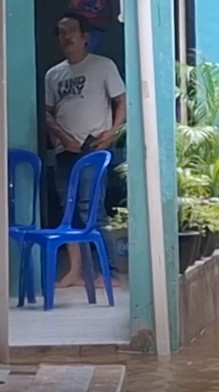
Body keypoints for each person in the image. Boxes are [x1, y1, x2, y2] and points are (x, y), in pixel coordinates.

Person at [45, 12, 126, 288]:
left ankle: (109, 272)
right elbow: (47, 113)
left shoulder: (103, 66)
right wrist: (61, 136)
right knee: (67, 211)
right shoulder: (53, 74)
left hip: (93, 147)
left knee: (92, 209)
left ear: (85, 37)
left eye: (71, 31)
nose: (66, 36)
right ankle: (75, 272)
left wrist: (112, 132)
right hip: (63, 149)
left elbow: (121, 101)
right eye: (61, 32)